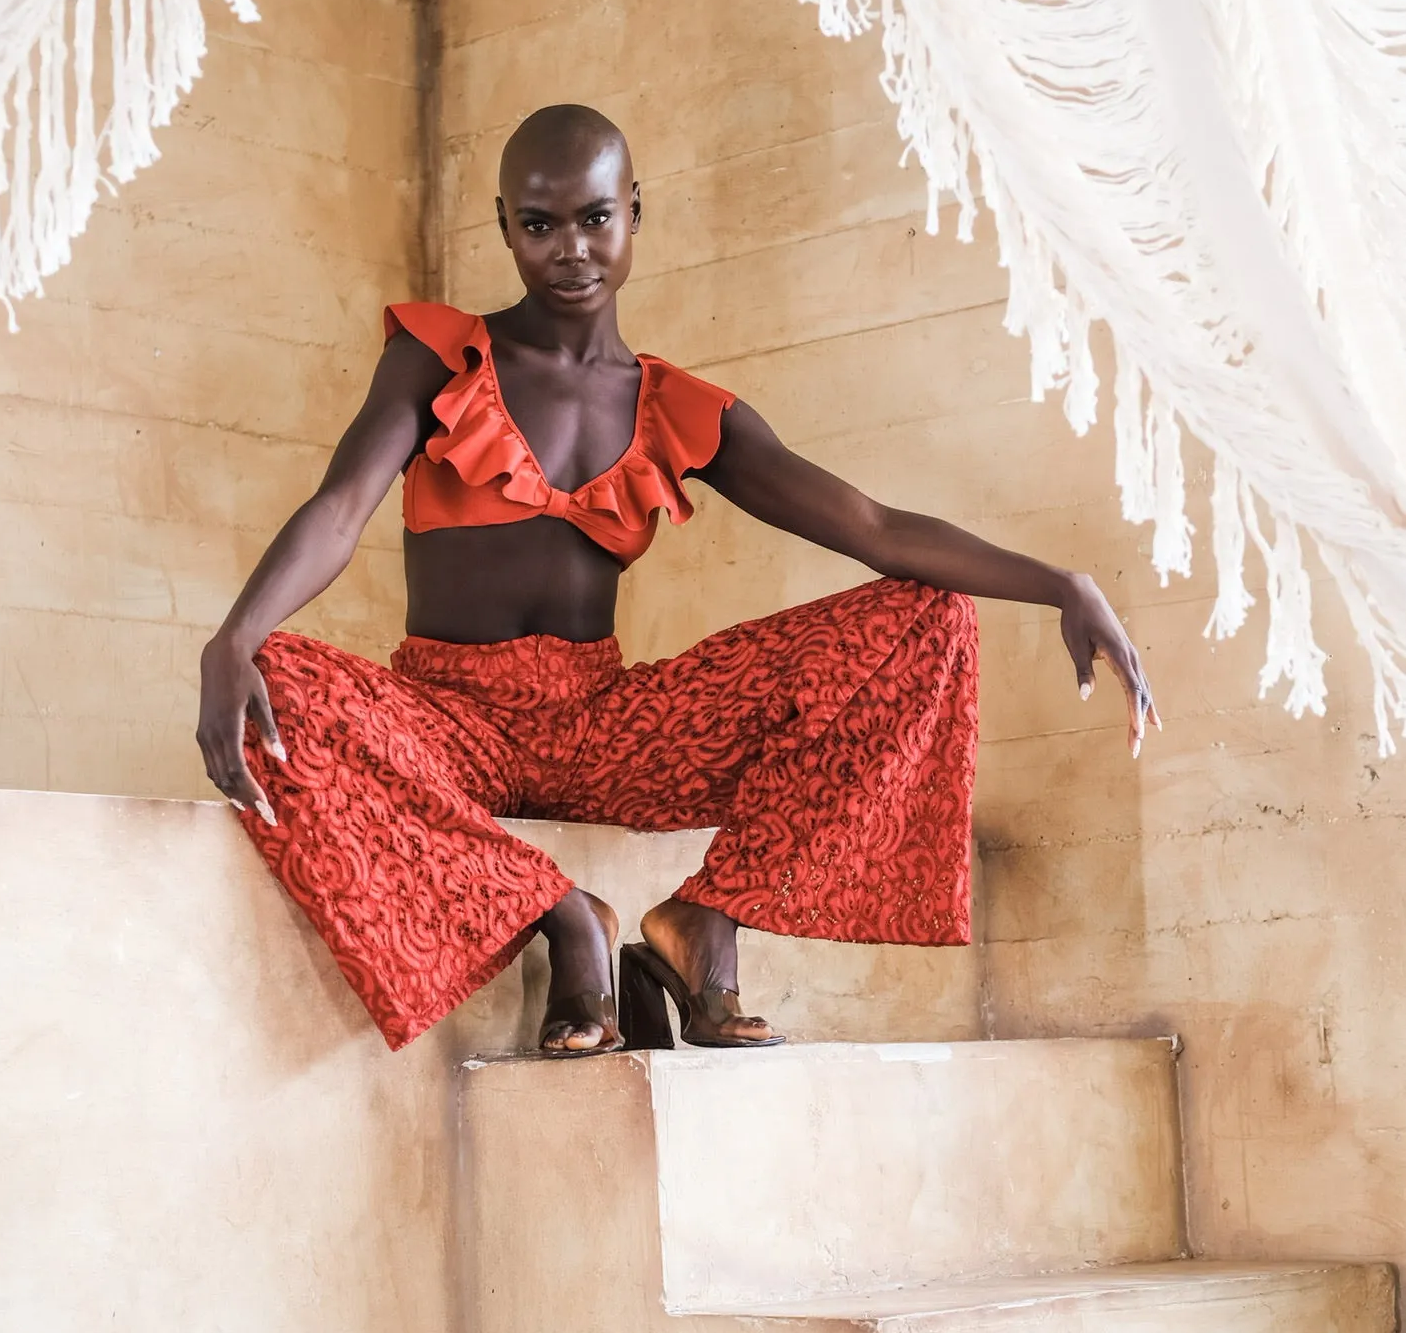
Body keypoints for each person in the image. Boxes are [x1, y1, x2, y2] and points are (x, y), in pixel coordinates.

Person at [197, 103, 1156, 1056]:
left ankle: (705, 923)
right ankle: (563, 915)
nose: (570, 249)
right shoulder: (439, 356)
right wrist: (237, 631)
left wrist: (1060, 581)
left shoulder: (678, 405)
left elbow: (872, 527)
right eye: (539, 225)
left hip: (603, 722)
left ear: (634, 212)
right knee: (273, 678)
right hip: (447, 719)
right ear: (503, 228)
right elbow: (337, 511)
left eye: (593, 218)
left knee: (925, 621)